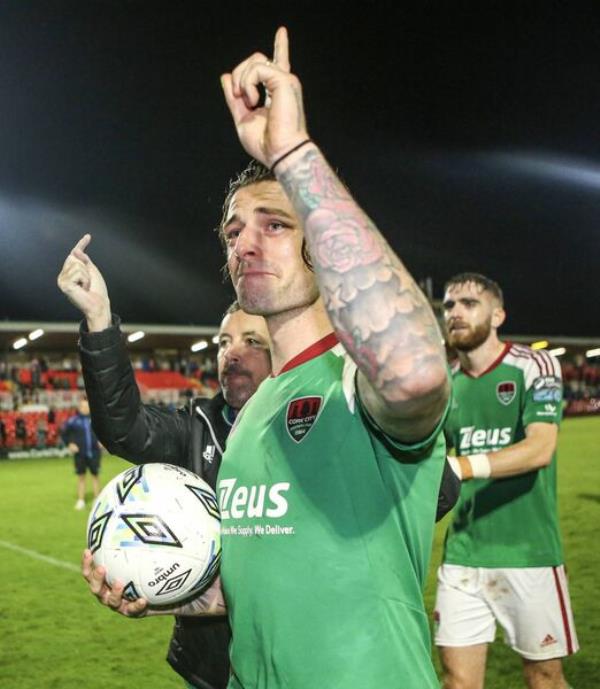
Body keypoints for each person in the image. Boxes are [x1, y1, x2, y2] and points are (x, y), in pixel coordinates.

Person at [59, 27, 453, 689]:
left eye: (276, 223)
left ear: (321, 241)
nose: (246, 241)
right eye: (234, 229)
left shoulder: (357, 382)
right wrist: (166, 587)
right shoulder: (254, 412)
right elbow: (261, 587)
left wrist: (293, 155)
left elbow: (415, 374)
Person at [434, 272, 578, 689]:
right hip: (462, 555)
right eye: (448, 305)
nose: (456, 312)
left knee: (545, 678)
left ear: (497, 315)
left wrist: (462, 466)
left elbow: (540, 448)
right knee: (458, 682)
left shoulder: (534, 365)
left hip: (528, 553)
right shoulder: (443, 385)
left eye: (469, 303)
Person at [61, 397, 102, 509]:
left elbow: (105, 433)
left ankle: (97, 499)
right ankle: (81, 500)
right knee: (81, 477)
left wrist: (103, 442)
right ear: (79, 407)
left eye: (87, 406)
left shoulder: (97, 420)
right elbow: (64, 433)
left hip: (94, 452)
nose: (85, 409)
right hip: (80, 454)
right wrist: (70, 444)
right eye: (83, 406)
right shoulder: (73, 421)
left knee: (95, 476)